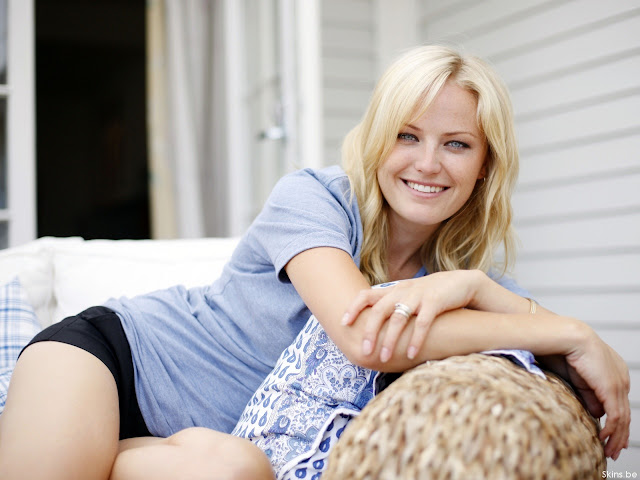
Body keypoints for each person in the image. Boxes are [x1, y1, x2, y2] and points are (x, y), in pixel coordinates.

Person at [0, 44, 630, 480]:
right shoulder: (313, 198)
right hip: (114, 361)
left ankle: (91, 450)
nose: (428, 163)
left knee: (241, 470)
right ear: (378, 138)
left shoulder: (464, 280)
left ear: (486, 165)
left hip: (211, 451)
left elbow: (544, 361)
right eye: (408, 135)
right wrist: (570, 330)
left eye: (457, 144)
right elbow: (365, 334)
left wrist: (478, 286)